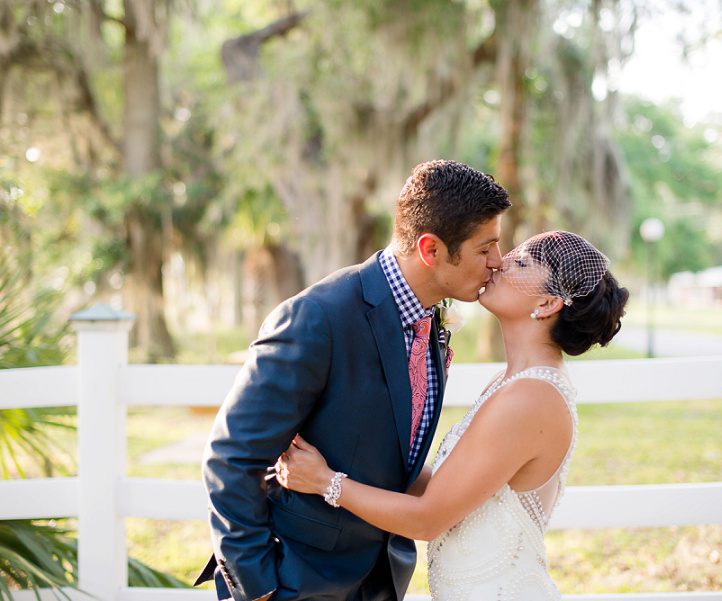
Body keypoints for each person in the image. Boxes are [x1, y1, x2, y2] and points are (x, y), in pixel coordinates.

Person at [196, 160, 511, 601]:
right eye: (485, 248)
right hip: (296, 579)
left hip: (381, 578)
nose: (497, 262)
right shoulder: (318, 316)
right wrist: (258, 588)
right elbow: (230, 456)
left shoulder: (430, 320)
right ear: (431, 249)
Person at [276, 231, 629, 601]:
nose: (499, 261)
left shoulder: (531, 397)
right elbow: (449, 491)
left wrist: (325, 482)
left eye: (522, 263)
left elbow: (428, 519)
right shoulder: (511, 382)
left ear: (547, 303)